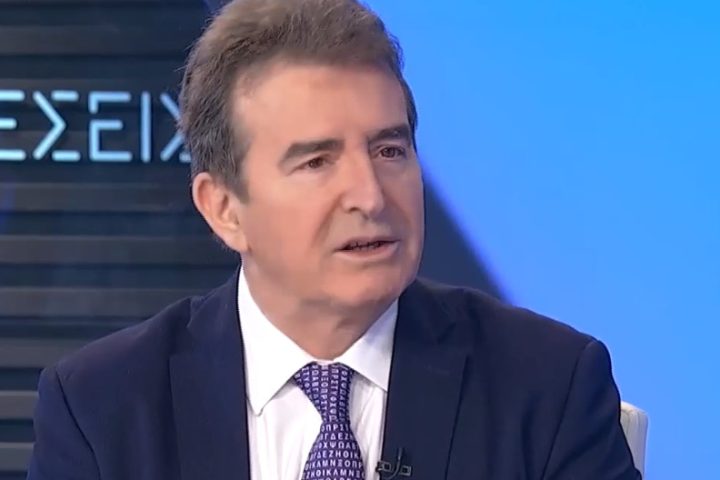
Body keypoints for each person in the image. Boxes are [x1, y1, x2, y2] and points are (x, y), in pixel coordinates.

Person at [27, 0, 640, 479]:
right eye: (317, 161)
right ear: (224, 208)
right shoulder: (102, 408)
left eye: (390, 150)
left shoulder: (548, 387)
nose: (370, 196)